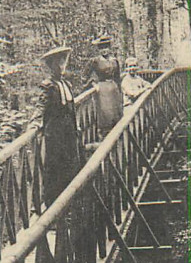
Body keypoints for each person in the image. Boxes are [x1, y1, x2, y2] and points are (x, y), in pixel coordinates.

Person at [28, 44, 83, 208]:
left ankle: (69, 204)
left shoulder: (66, 84)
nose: (62, 66)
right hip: (56, 133)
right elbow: (41, 106)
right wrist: (35, 122)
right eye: (59, 63)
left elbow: (71, 107)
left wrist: (76, 125)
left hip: (69, 132)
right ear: (52, 66)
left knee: (71, 164)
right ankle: (51, 205)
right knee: (54, 168)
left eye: (63, 62)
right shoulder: (48, 85)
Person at [84, 32, 123, 138]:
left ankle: (117, 136)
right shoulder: (95, 61)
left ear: (109, 48)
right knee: (105, 113)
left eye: (106, 47)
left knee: (116, 113)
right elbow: (84, 76)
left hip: (114, 88)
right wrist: (93, 84)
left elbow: (118, 77)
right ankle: (105, 136)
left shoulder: (114, 61)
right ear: (99, 49)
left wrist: (120, 90)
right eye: (101, 48)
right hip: (103, 89)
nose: (104, 50)